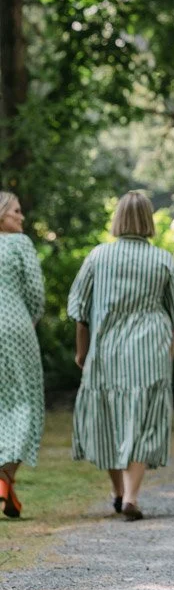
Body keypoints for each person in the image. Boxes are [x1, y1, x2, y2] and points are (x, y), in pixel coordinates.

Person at [69, 191, 174, 521]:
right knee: (143, 421)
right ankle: (132, 495)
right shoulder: (163, 259)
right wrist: (169, 353)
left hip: (106, 350)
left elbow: (79, 311)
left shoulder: (97, 257)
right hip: (150, 352)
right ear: (149, 221)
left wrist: (82, 353)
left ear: (118, 219)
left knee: (108, 419)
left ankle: (119, 493)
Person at [0, 193, 45, 519]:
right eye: (16, 211)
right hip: (15, 328)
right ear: (2, 215)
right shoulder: (20, 245)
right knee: (24, 401)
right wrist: (32, 318)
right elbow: (35, 293)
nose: (22, 217)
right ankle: (4, 479)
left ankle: (6, 487)